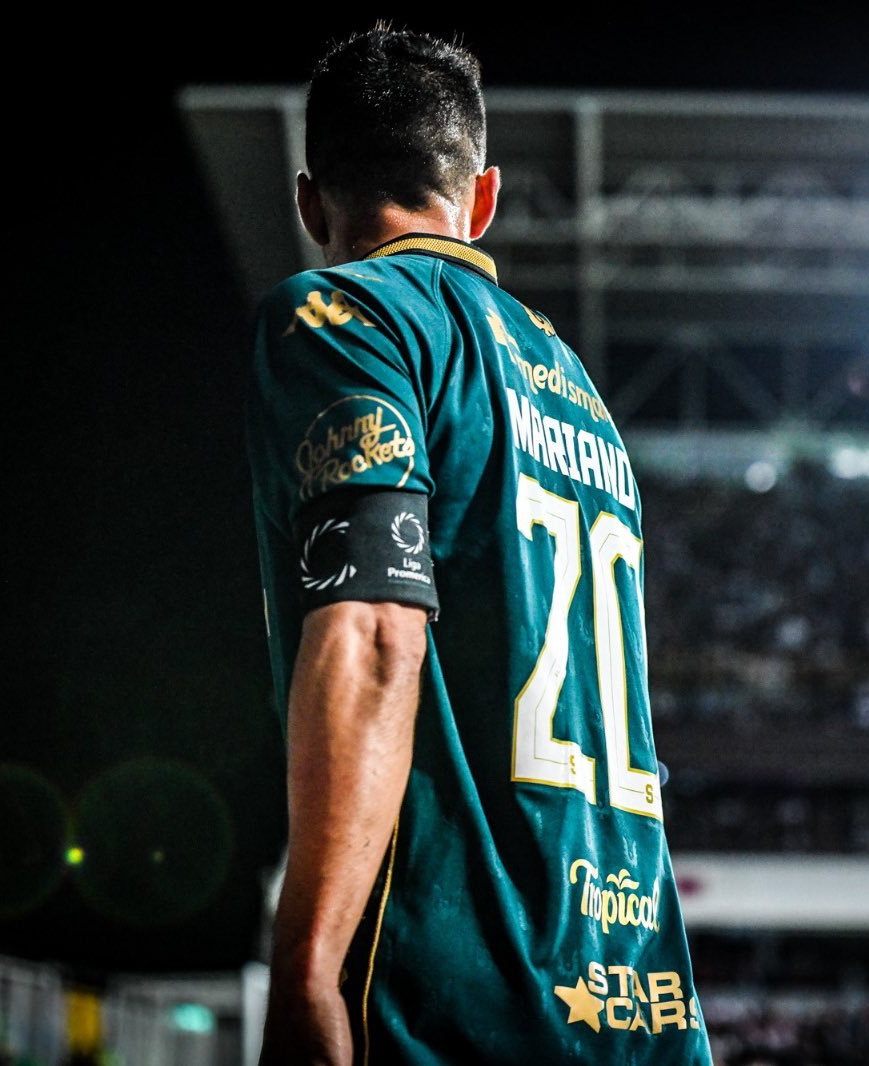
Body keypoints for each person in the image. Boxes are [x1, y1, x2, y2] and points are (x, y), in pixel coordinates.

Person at [245, 25, 711, 1065]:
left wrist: (307, 962)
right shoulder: (583, 398)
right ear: (483, 198)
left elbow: (372, 630)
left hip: (452, 998)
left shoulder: (344, 317)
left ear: (310, 201)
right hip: (635, 1002)